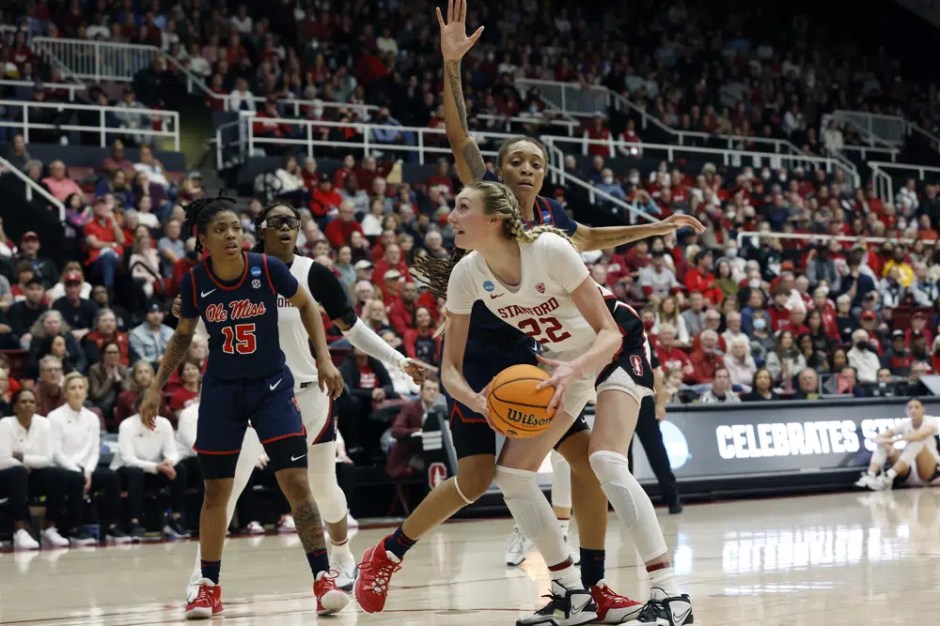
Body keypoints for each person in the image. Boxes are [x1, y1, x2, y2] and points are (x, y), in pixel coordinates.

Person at [356, 6, 702, 625]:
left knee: (593, 463)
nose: (525, 169)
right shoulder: (478, 228)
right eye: (515, 160)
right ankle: (404, 555)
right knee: (485, 477)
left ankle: (615, 588)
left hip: (563, 353)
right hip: (508, 360)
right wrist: (451, 67)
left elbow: (594, 256)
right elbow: (459, 138)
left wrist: (657, 227)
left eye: (536, 163)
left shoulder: (552, 233)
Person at [388, 179, 692, 625]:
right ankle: (572, 594)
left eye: (462, 207)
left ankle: (670, 594)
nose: (450, 217)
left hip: (615, 347)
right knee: (512, 474)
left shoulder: (549, 249)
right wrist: (477, 401)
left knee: (605, 460)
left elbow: (608, 333)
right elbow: (449, 369)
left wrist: (577, 368)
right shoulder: (466, 274)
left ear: (494, 218)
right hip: (562, 361)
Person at [176, 199, 428, 592]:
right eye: (276, 221)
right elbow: (210, 331)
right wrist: (187, 315)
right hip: (250, 395)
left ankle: (342, 555)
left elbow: (353, 328)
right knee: (229, 485)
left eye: (292, 222)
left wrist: (398, 360)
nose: (285, 228)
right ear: (259, 229)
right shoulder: (231, 271)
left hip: (308, 393)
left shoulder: (314, 274)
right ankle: (202, 576)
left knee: (323, 487)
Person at [139, 195, 348, 618]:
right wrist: (155, 387)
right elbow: (182, 336)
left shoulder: (267, 268)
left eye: (236, 227)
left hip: (272, 388)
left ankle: (323, 578)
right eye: (221, 230)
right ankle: (208, 587)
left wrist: (324, 359)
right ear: (202, 240)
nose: (232, 235)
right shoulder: (195, 281)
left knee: (298, 484)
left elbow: (308, 305)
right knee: (217, 491)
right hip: (223, 392)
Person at [48, 373, 129, 544]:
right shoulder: (55, 417)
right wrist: (78, 472)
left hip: (86, 469)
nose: (77, 392)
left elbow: (94, 450)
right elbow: (56, 453)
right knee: (76, 480)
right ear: (65, 393)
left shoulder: (92, 417)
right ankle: (74, 529)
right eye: (73, 388)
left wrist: (89, 471)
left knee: (112, 477)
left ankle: (111, 527)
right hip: (64, 468)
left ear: (86, 392)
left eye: (81, 388)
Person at [0, 389, 71, 548]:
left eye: (31, 402)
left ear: (36, 406)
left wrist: (22, 458)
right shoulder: (5, 424)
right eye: (23, 402)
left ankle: (48, 529)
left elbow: (47, 459)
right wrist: (25, 465)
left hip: (31, 475)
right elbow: (3, 459)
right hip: (8, 478)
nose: (28, 405)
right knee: (18, 473)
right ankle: (19, 531)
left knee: (58, 474)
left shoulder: (44, 424)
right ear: (15, 407)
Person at [111, 399, 189, 541]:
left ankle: (176, 519)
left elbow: (173, 452)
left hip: (153, 469)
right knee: (136, 472)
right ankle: (133, 523)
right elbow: (128, 459)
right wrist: (156, 467)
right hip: (125, 471)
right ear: (138, 407)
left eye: (154, 407)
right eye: (147, 406)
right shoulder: (127, 425)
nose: (150, 410)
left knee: (179, 469)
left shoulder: (164, 424)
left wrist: (169, 462)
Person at [855, 397, 940, 490]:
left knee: (916, 443)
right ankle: (871, 475)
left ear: (923, 409)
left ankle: (888, 476)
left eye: (917, 407)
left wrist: (894, 440)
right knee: (883, 445)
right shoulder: (904, 424)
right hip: (909, 471)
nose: (913, 410)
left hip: (929, 472)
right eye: (910, 408)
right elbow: (880, 436)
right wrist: (880, 440)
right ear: (906, 411)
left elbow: (920, 435)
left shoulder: (930, 421)